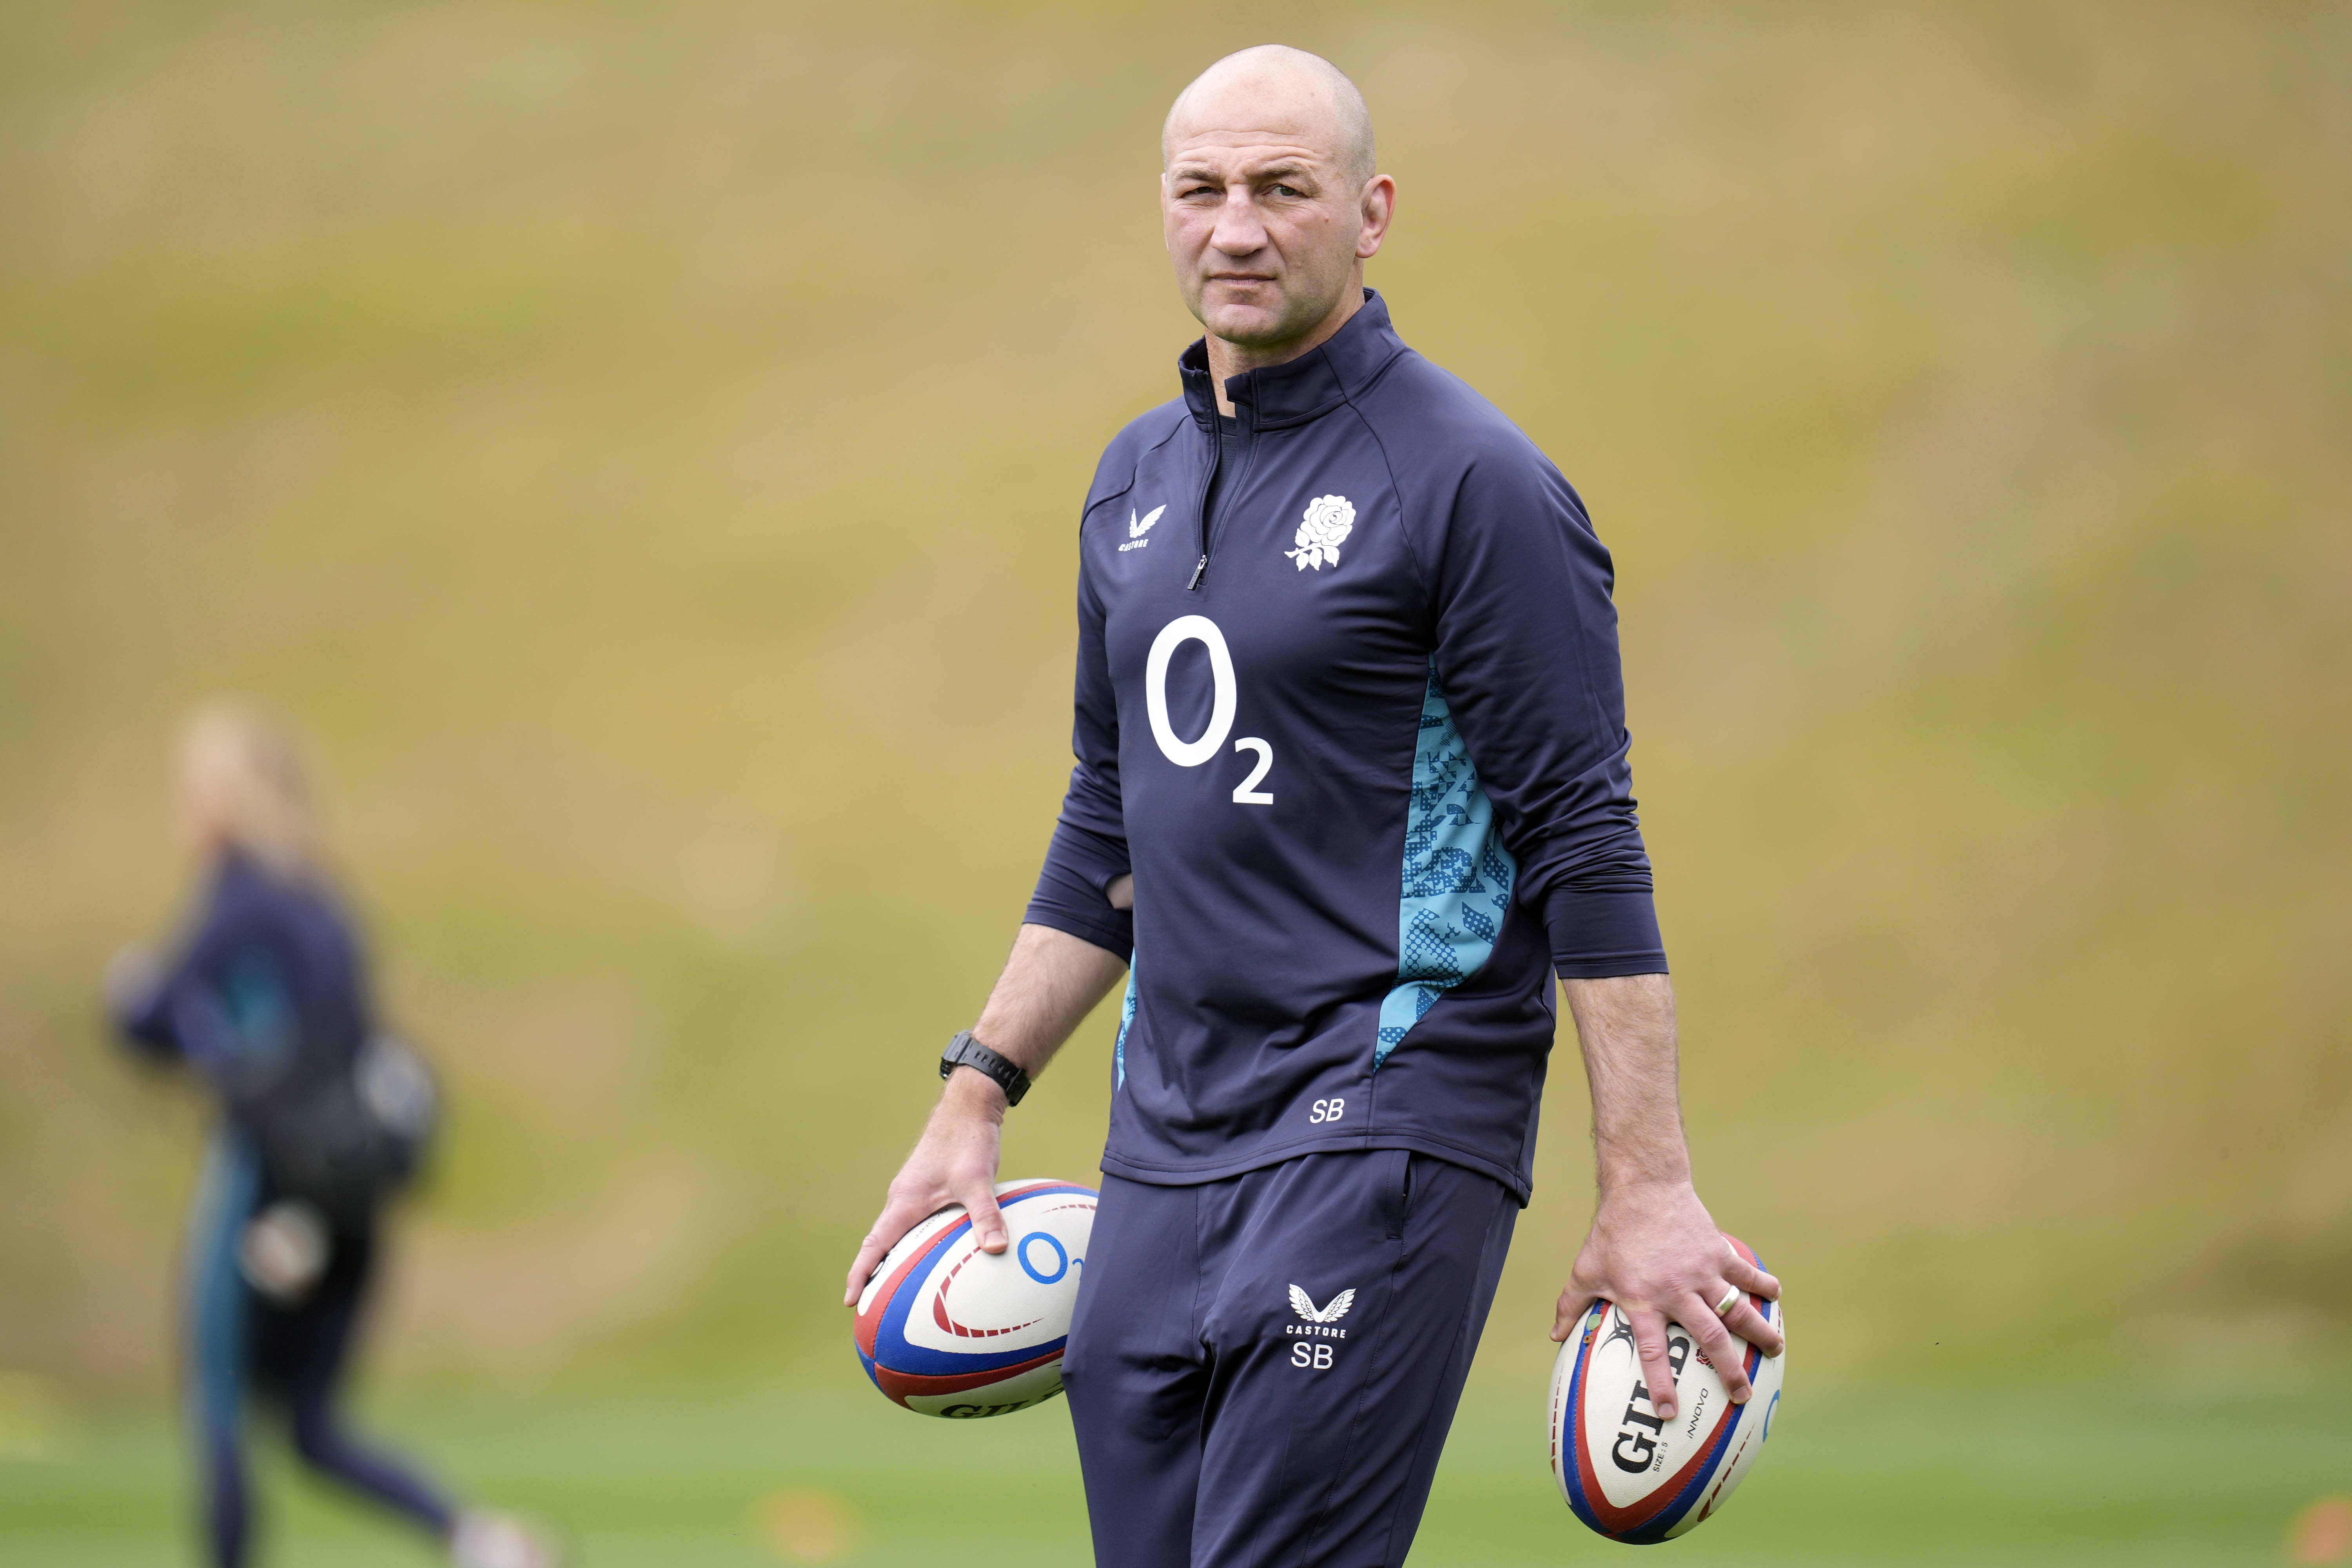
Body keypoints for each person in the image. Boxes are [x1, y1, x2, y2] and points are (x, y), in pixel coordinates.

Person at [845, 44, 1786, 1567]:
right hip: (1162, 1149)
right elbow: (1113, 824)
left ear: (1371, 211)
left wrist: (1650, 1184)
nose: (1236, 228)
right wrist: (976, 1093)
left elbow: (1585, 839)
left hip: (1386, 1124)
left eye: (1283, 189)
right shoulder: (1131, 484)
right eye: (1201, 190)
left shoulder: (1472, 481)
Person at [106, 702, 555, 1568]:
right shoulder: (327, 906)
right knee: (311, 1424)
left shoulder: (238, 904)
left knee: (222, 1406)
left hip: (264, 1186)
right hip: (347, 1198)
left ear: (222, 801)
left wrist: (129, 999)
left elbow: (157, 1020)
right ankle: (478, 1539)